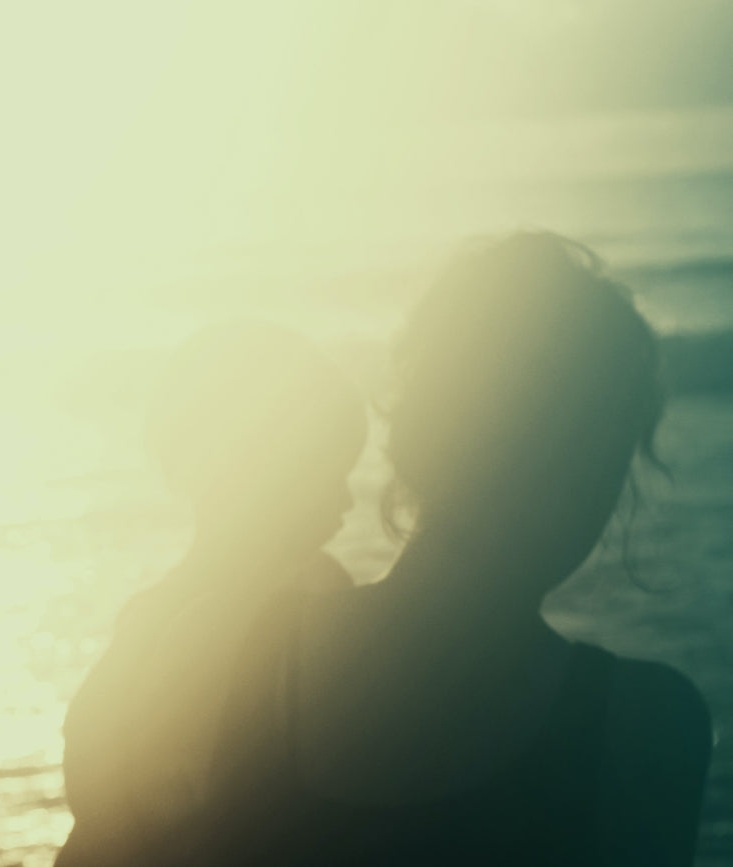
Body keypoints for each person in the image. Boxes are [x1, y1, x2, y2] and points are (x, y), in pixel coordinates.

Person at [199, 232, 713, 866]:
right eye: (603, 455)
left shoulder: (267, 658)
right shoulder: (646, 727)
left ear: (422, 438)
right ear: (597, 474)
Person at [55, 321, 368, 866]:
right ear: (267, 471)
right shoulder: (295, 610)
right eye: (330, 473)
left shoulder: (150, 619)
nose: (347, 501)